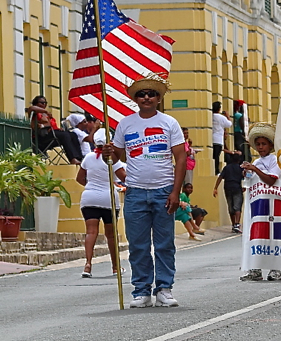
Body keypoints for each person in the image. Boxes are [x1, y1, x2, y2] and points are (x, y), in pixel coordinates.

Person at [103, 73, 187, 308]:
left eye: (151, 94)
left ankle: (164, 288)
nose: (147, 97)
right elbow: (115, 156)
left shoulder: (169, 123)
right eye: (142, 94)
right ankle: (141, 290)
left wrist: (175, 191)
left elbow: (180, 158)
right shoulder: (125, 124)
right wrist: (106, 153)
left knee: (164, 243)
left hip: (163, 190)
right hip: (135, 191)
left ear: (159, 98)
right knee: (137, 244)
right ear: (136, 99)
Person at [76, 128, 126, 278]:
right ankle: (115, 267)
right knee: (111, 235)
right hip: (108, 198)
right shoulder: (112, 159)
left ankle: (88, 265)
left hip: (89, 197)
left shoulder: (88, 157)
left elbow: (79, 178)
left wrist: (92, 187)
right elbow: (123, 177)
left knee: (91, 232)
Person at [238, 122, 281, 282]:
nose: (261, 147)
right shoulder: (256, 162)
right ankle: (255, 269)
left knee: (272, 235)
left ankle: (275, 268)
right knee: (256, 235)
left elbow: (271, 180)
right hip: (257, 204)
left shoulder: (276, 160)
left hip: (272, 204)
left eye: (264, 144)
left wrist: (255, 170)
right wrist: (248, 173)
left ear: (270, 145)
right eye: (258, 144)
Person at [27, 96, 83, 164]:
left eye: (45, 103)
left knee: (73, 135)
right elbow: (31, 108)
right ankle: (72, 159)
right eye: (42, 103)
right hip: (42, 138)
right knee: (64, 136)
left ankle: (79, 158)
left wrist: (59, 129)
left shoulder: (47, 115)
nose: (44, 104)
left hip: (52, 135)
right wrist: (45, 111)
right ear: (36, 103)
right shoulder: (35, 113)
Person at [214, 153, 244, 233]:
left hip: (227, 187)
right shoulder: (240, 168)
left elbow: (220, 177)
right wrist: (245, 187)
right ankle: (237, 224)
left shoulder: (227, 168)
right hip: (237, 187)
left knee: (230, 206)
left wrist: (215, 188)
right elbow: (245, 177)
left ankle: (233, 224)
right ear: (239, 160)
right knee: (237, 206)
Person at [212, 101, 232, 175]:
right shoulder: (221, 117)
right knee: (217, 156)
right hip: (218, 139)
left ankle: (214, 169)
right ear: (219, 109)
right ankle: (216, 170)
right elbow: (229, 124)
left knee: (213, 156)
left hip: (211, 139)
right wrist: (228, 116)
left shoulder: (210, 116)